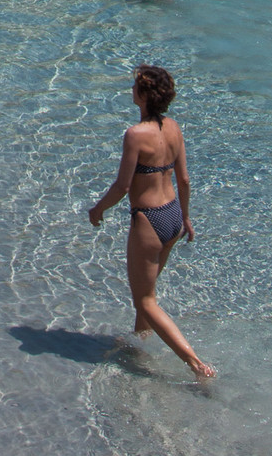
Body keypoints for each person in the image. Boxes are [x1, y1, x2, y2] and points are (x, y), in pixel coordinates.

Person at [88, 63, 214, 381]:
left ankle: (196, 364)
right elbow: (184, 180)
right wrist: (186, 217)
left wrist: (98, 209)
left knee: (145, 300)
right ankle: (138, 346)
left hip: (149, 220)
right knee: (147, 293)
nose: (131, 89)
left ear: (144, 95)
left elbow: (123, 186)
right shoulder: (174, 128)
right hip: (172, 215)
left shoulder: (135, 135)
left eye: (135, 86)